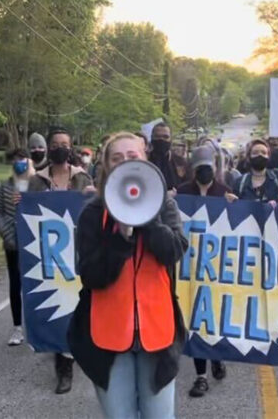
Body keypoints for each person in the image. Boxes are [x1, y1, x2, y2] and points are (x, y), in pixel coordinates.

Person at [69, 132, 188, 419]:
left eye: (132, 157)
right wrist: (121, 237)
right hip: (107, 335)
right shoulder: (93, 213)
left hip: (156, 334)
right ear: (107, 166)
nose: (124, 162)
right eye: (116, 158)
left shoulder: (164, 206)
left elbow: (174, 251)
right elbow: (92, 276)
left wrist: (146, 218)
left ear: (145, 160)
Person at [29, 128, 95, 394]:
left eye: (64, 144)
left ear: (71, 147)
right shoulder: (37, 181)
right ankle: (63, 367)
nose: (59, 147)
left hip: (80, 251)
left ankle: (82, 349)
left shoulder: (82, 178)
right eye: (55, 143)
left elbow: (93, 210)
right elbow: (30, 216)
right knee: (58, 308)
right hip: (51, 254)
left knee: (82, 304)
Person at [176, 146, 234, 398]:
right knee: (196, 320)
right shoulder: (182, 192)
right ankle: (200, 376)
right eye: (200, 168)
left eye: (208, 168)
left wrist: (235, 205)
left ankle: (217, 356)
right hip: (190, 267)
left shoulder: (224, 192)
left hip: (216, 266)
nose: (204, 172)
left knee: (215, 316)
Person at [0, 148, 34, 346]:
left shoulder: (36, 184)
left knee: (34, 284)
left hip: (33, 243)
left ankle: (36, 327)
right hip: (12, 243)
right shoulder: (5, 186)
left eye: (22, 159)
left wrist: (28, 198)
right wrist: (7, 233)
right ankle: (17, 327)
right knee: (15, 284)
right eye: (16, 160)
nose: (19, 163)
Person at [233, 139, 278, 203]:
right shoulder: (240, 183)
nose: (260, 155)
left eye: (264, 153)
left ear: (268, 157)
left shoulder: (277, 177)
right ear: (249, 157)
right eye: (255, 153)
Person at [148, 122, 191, 191]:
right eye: (157, 136)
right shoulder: (145, 162)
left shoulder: (181, 163)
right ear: (152, 138)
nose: (161, 140)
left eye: (165, 137)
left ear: (171, 139)